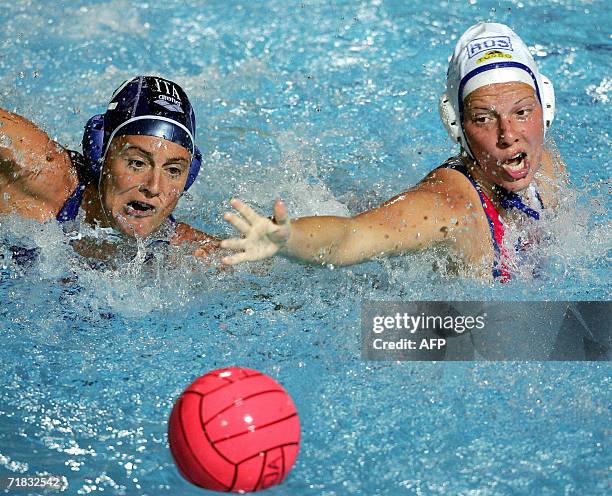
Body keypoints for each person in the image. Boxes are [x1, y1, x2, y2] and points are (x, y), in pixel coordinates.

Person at [220, 22, 568, 281]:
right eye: (483, 119)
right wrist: (288, 239)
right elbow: (351, 237)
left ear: (545, 108)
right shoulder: (452, 209)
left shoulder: (546, 165)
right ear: (457, 127)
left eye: (522, 112)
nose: (508, 134)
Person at [0, 75, 218, 261]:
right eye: (138, 163)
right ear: (100, 155)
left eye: (173, 170)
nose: (154, 187)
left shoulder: (180, 247)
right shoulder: (38, 174)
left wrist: (254, 255)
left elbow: (246, 270)